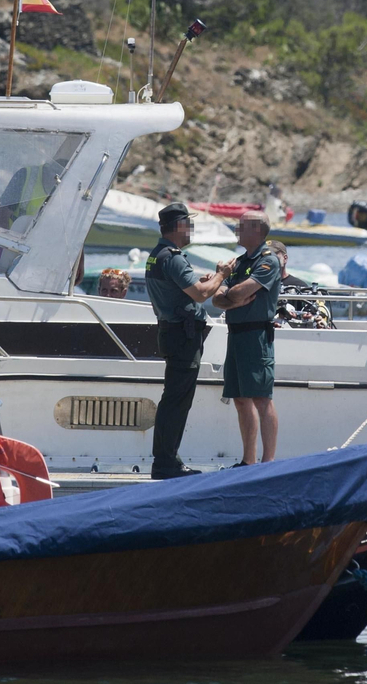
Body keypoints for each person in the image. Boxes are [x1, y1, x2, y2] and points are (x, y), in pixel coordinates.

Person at [143, 203, 232, 479]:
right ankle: (166, 463)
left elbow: (185, 289)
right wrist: (221, 274)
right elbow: (201, 294)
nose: (190, 229)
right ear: (179, 225)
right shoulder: (173, 257)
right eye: (188, 224)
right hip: (182, 336)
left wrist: (203, 283)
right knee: (177, 400)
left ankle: (166, 459)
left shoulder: (157, 256)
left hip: (173, 333)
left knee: (174, 398)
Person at [213, 212, 283, 465]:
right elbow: (217, 298)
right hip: (236, 335)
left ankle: (269, 462)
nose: (236, 228)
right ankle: (248, 461)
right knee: (241, 399)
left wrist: (231, 296)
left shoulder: (269, 261)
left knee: (262, 398)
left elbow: (236, 292)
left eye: (241, 225)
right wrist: (233, 299)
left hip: (256, 335)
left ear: (256, 229)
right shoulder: (240, 262)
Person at [269, 239, 333, 329]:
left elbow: (311, 313)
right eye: (266, 256)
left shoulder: (299, 285)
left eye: (274, 256)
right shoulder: (256, 285)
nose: (269, 260)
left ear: (285, 258)